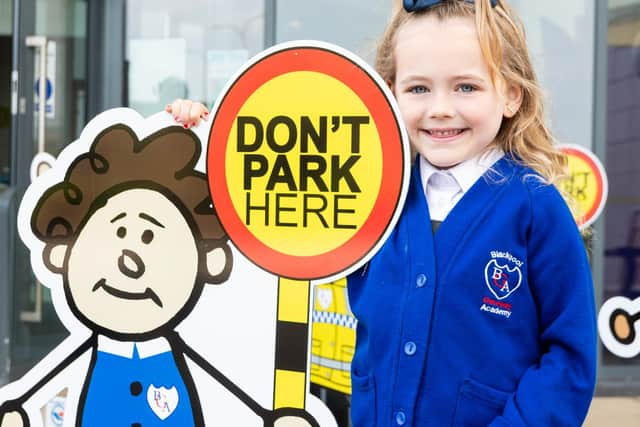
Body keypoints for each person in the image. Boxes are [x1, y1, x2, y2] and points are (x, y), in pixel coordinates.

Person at [168, 1, 597, 425]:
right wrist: (201, 135)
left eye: (466, 87)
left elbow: (569, 357)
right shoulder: (369, 191)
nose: (440, 107)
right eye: (418, 88)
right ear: (389, 94)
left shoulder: (536, 209)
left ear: (510, 95)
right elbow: (271, 190)